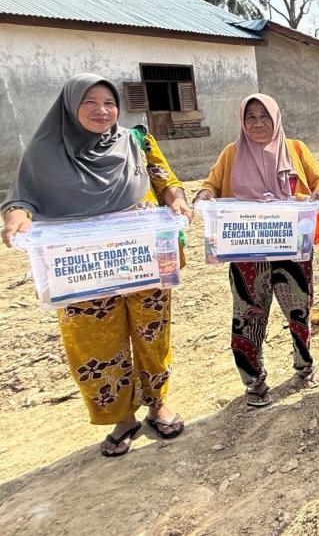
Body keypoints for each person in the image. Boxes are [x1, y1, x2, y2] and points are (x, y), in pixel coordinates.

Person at [1, 74, 190, 456]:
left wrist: (176, 199)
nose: (103, 111)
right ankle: (122, 417)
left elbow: (165, 180)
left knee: (152, 333)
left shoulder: (135, 141)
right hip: (82, 268)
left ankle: (157, 403)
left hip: (142, 259)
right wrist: (16, 215)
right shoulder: (44, 152)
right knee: (96, 345)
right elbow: (23, 199)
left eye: (109, 102)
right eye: (91, 102)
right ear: (71, 106)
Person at [193, 94, 319, 407]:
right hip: (246, 252)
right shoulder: (231, 153)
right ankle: (253, 381)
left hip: (292, 248)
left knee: (299, 310)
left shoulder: (295, 149)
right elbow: (211, 184)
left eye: (264, 116)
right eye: (250, 117)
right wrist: (204, 195)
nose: (257, 123)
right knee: (248, 315)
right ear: (242, 121)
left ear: (276, 118)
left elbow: (317, 180)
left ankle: (304, 367)